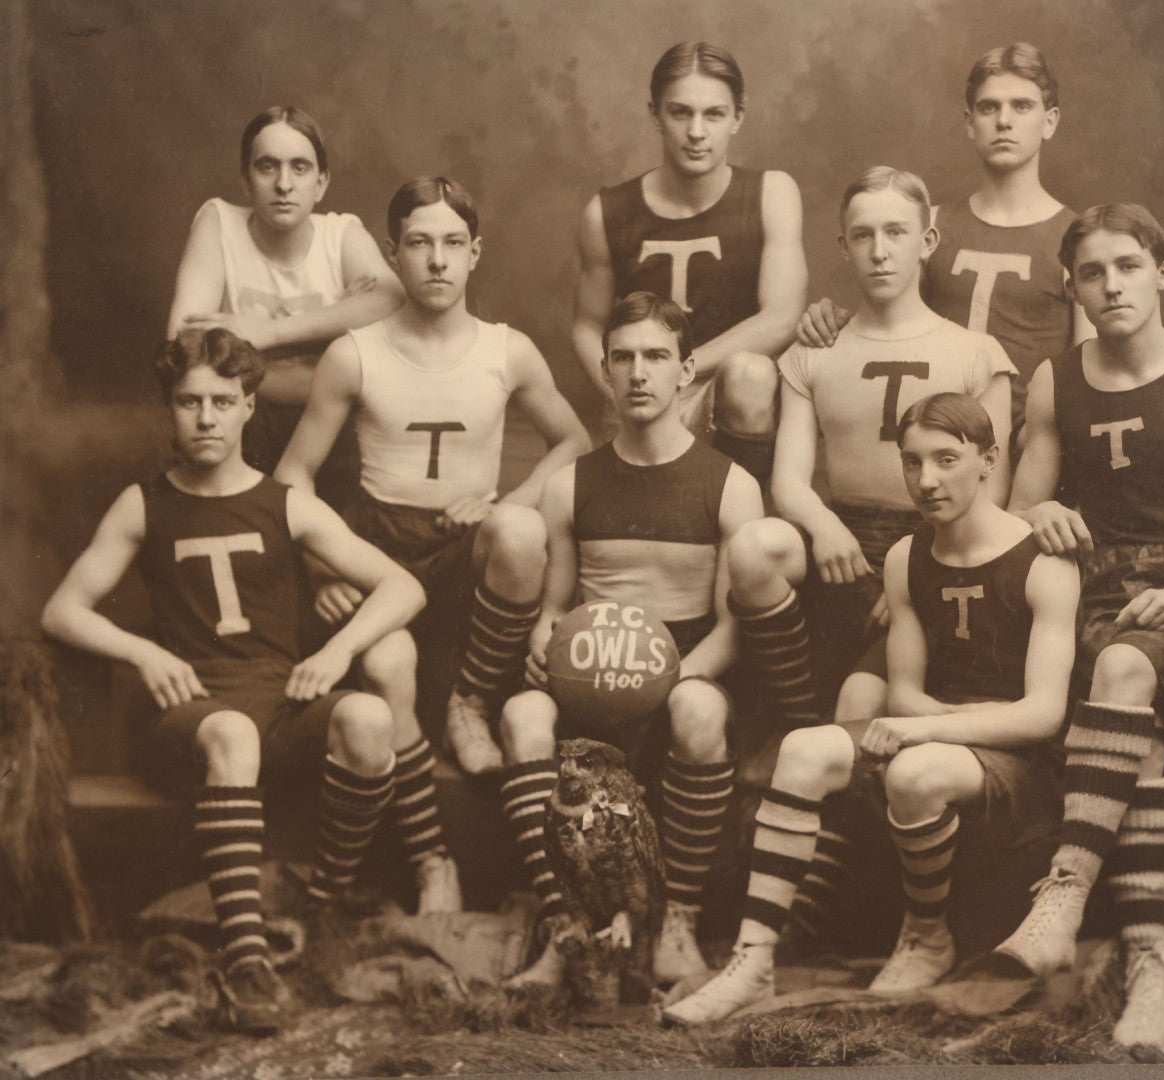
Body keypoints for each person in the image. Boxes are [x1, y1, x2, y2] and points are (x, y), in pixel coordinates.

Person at [41, 329, 460, 1036]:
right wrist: (142, 652)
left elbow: (401, 587)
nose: (205, 418)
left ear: (247, 408)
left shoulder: (285, 503)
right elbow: (62, 610)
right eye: (188, 402)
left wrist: (338, 653)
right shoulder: (143, 503)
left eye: (221, 402)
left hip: (281, 702)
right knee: (232, 732)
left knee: (366, 718)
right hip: (193, 716)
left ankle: (318, 897)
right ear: (169, 410)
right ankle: (247, 961)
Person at [662, 392, 1079, 1024]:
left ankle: (924, 935)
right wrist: (928, 723)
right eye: (913, 462)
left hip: (1021, 763)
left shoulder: (1041, 561)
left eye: (947, 459)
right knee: (804, 749)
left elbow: (1043, 715)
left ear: (990, 460)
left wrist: (929, 729)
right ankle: (752, 963)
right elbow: (904, 688)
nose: (927, 480)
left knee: (917, 772)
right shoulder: (908, 558)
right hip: (943, 730)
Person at [990, 204, 1164, 1050]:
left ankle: (1065, 893)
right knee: (1131, 723)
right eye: (1090, 272)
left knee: (1122, 673)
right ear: (1071, 286)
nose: (1109, 285)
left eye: (1126, 265)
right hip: (1101, 589)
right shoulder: (1054, 380)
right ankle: (1148, 965)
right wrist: (1041, 511)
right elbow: (1016, 505)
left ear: (1163, 270)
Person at [276, 176, 591, 775]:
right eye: (418, 243)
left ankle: (467, 705)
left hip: (462, 553)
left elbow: (575, 441)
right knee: (383, 673)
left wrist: (505, 505)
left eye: (453, 243)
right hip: (377, 548)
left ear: (475, 252)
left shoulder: (507, 350)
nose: (438, 260)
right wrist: (322, 569)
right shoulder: (355, 353)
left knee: (521, 533)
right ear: (393, 254)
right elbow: (294, 472)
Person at [496, 292, 763, 988]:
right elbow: (552, 607)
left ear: (687, 370)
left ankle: (676, 921)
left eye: (655, 356)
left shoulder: (730, 485)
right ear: (606, 372)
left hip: (682, 676)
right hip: (589, 681)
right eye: (623, 358)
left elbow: (731, 628)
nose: (638, 373)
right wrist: (542, 640)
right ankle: (565, 929)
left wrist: (664, 682)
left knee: (700, 712)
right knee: (522, 713)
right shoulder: (568, 483)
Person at [727, 166, 1013, 739]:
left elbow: (991, 491)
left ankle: (827, 750)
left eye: (896, 233)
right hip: (844, 544)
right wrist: (825, 525)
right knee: (758, 546)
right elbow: (789, 482)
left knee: (864, 700)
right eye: (863, 236)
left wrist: (918, 565)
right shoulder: (815, 353)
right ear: (844, 245)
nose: (879, 252)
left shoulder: (975, 354)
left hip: (936, 546)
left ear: (927, 242)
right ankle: (798, 725)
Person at [796, 43, 1091, 449]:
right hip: (928, 437)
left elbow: (1088, 370)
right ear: (970, 123)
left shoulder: (1077, 239)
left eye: (1021, 107)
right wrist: (830, 318)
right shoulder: (928, 223)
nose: (1004, 121)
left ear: (1050, 121)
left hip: (1023, 444)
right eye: (989, 108)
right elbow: (885, 321)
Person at [572, 41, 807, 493]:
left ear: (738, 117)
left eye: (714, 114)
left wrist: (680, 373)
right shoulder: (606, 211)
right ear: (655, 114)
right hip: (639, 385)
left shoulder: (771, 194)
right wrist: (628, 390)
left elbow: (782, 317)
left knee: (752, 373)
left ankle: (747, 524)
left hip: (720, 389)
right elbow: (586, 326)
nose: (696, 131)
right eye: (681, 113)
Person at [167, 105, 405, 509]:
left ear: (321, 183)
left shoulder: (340, 234)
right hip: (245, 426)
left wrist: (261, 334)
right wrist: (332, 332)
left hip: (333, 433)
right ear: (246, 180)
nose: (283, 184)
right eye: (267, 167)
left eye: (299, 167)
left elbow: (392, 301)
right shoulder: (218, 222)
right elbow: (184, 346)